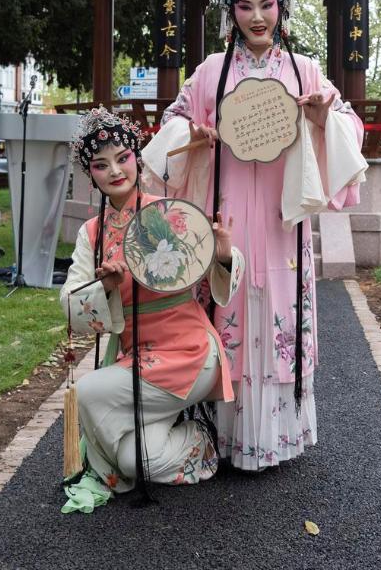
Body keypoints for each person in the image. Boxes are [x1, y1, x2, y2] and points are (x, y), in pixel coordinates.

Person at [142, 0, 367, 472]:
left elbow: (349, 127)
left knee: (281, 303)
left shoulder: (304, 69)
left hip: (281, 214)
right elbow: (173, 120)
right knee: (230, 300)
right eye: (245, 6)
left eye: (267, 4)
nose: (258, 17)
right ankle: (222, 431)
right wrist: (192, 135)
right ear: (232, 12)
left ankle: (278, 436)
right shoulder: (211, 71)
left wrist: (322, 118)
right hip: (228, 209)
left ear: (282, 8)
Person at [60, 106, 245, 512]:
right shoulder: (90, 234)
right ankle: (197, 443)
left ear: (137, 158)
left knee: (89, 392)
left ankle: (169, 430)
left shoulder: (169, 212)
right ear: (90, 174)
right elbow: (71, 304)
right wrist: (105, 287)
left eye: (122, 158)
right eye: (101, 164)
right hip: (137, 356)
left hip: (190, 350)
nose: (115, 171)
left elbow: (218, 278)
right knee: (134, 460)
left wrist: (223, 254)